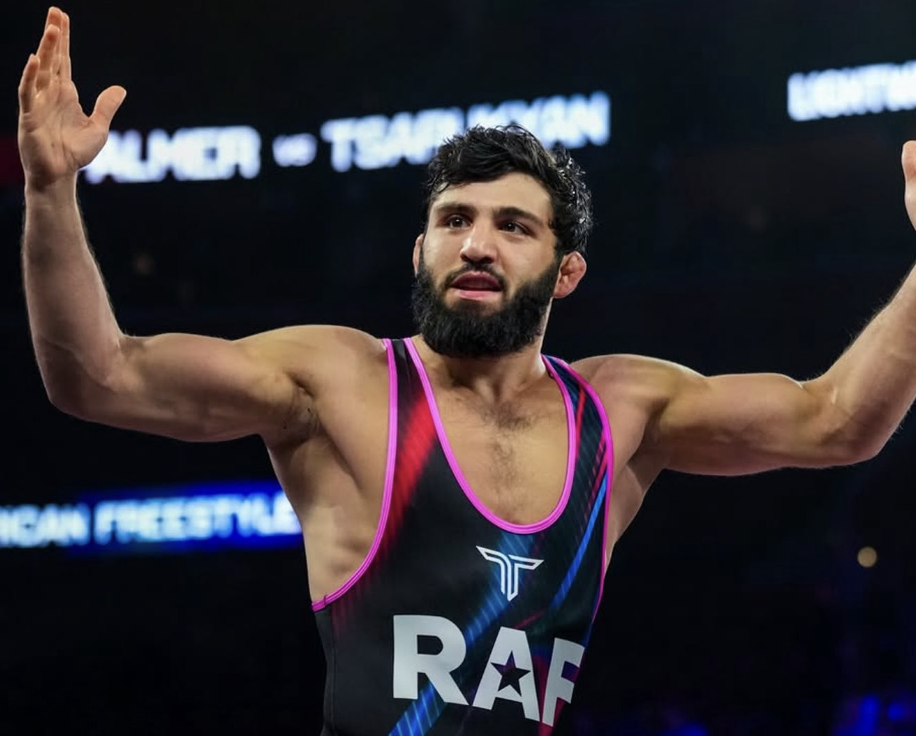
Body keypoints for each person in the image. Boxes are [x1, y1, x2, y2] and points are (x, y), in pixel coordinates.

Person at [17, 6, 916, 736]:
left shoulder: (621, 407)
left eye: (513, 226)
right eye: (454, 221)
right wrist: (51, 192)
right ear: (419, 251)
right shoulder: (340, 380)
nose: (476, 244)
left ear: (568, 271)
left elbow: (837, 421)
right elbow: (99, 377)